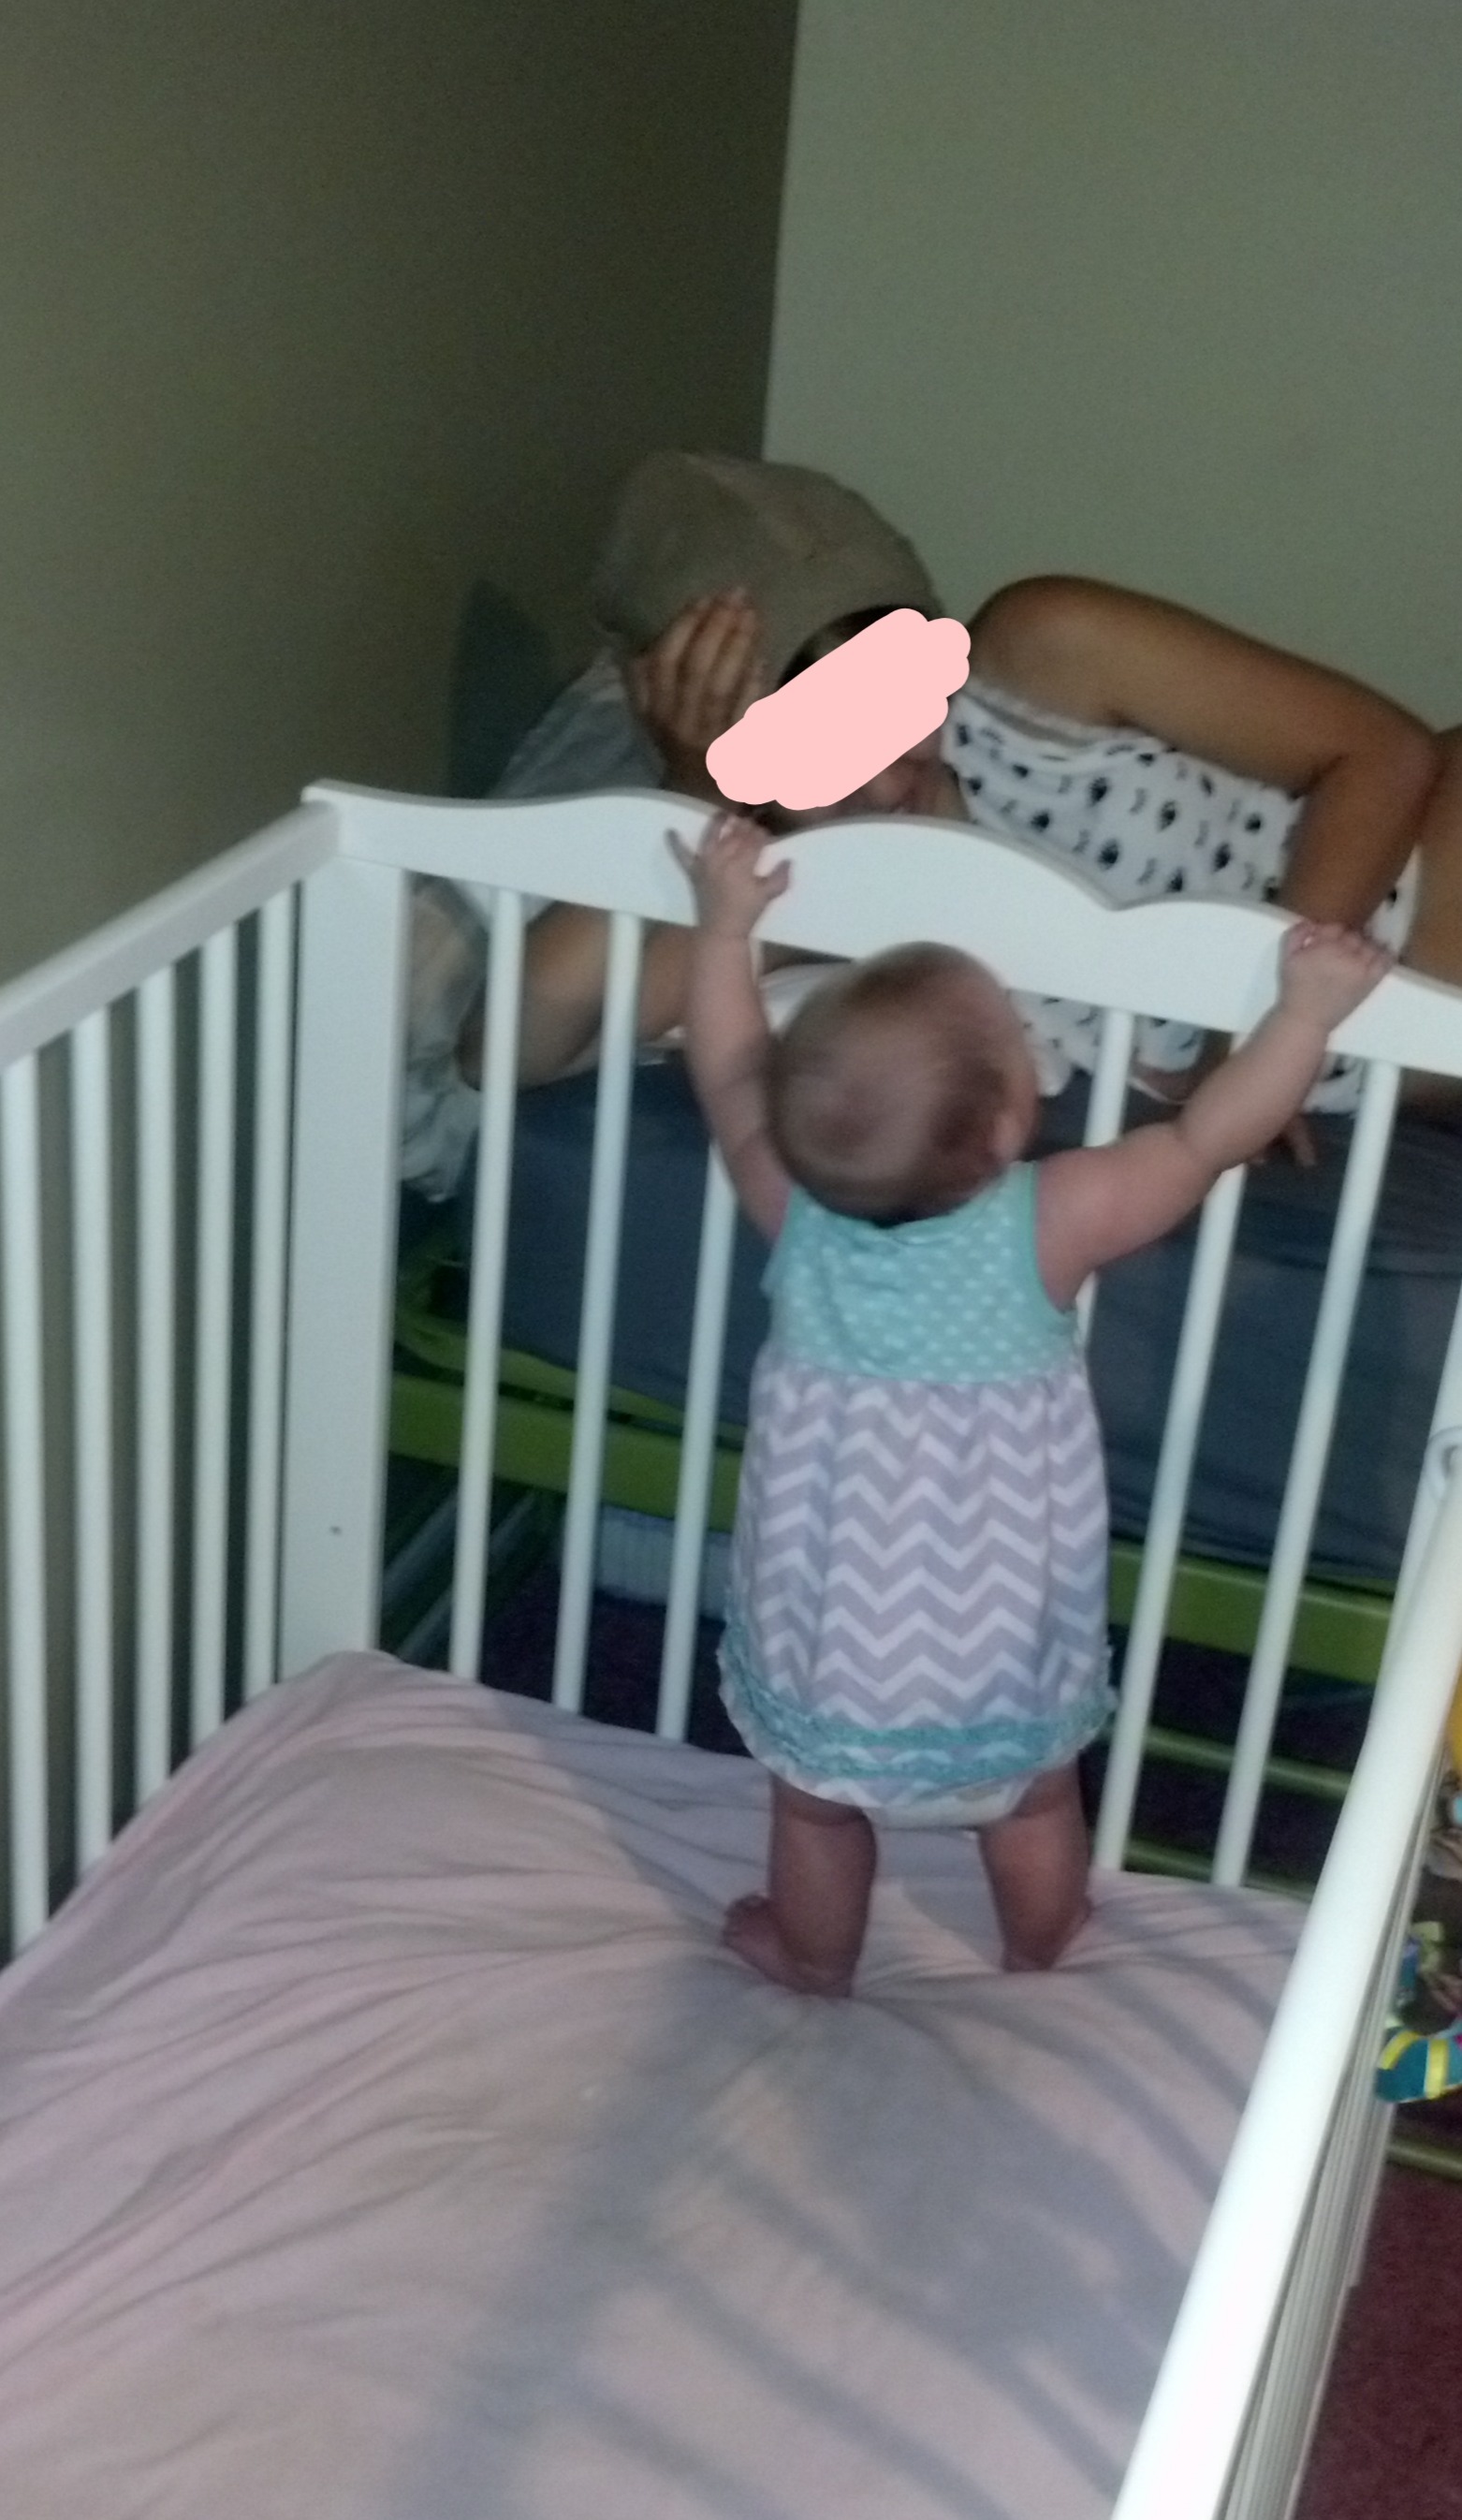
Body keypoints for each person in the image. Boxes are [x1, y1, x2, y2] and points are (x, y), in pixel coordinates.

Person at [671, 811, 1390, 1996]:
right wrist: (1302, 1017)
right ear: (1009, 1119)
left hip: (832, 1630)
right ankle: (1041, 1938)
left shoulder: (790, 1208)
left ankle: (811, 1953)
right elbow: (1208, 1138)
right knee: (1035, 1796)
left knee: (812, 1807)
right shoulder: (1047, 1220)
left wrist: (721, 929)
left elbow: (729, 1069)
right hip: (998, 1636)